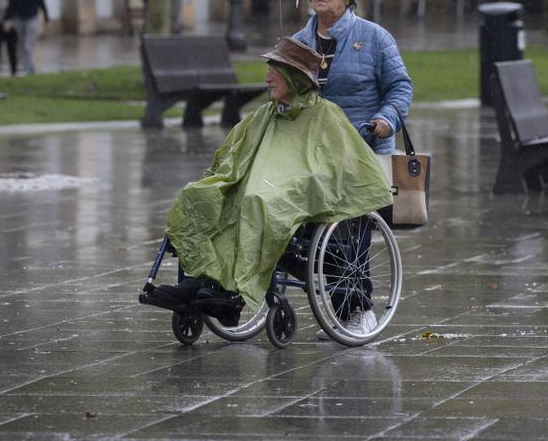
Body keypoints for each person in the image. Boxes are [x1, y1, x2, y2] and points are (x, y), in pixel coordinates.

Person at [151, 38, 392, 332]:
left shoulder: (325, 115)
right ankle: (199, 281)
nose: (266, 77)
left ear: (293, 76)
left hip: (295, 193)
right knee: (199, 195)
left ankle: (230, 291)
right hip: (257, 185)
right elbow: (236, 150)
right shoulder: (266, 113)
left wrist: (291, 180)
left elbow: (340, 165)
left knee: (256, 201)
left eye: (273, 71)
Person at [293, 0, 413, 157]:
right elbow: (288, 96)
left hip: (365, 152)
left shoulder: (375, 36)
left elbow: (400, 87)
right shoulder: (297, 43)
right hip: (311, 153)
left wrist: (386, 118)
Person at [5, 0, 49, 75]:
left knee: (27, 45)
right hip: (19, 19)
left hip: (32, 18)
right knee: (21, 45)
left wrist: (46, 17)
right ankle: (30, 67)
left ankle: (26, 70)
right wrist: (8, 19)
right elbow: (11, 4)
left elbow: (41, 1)